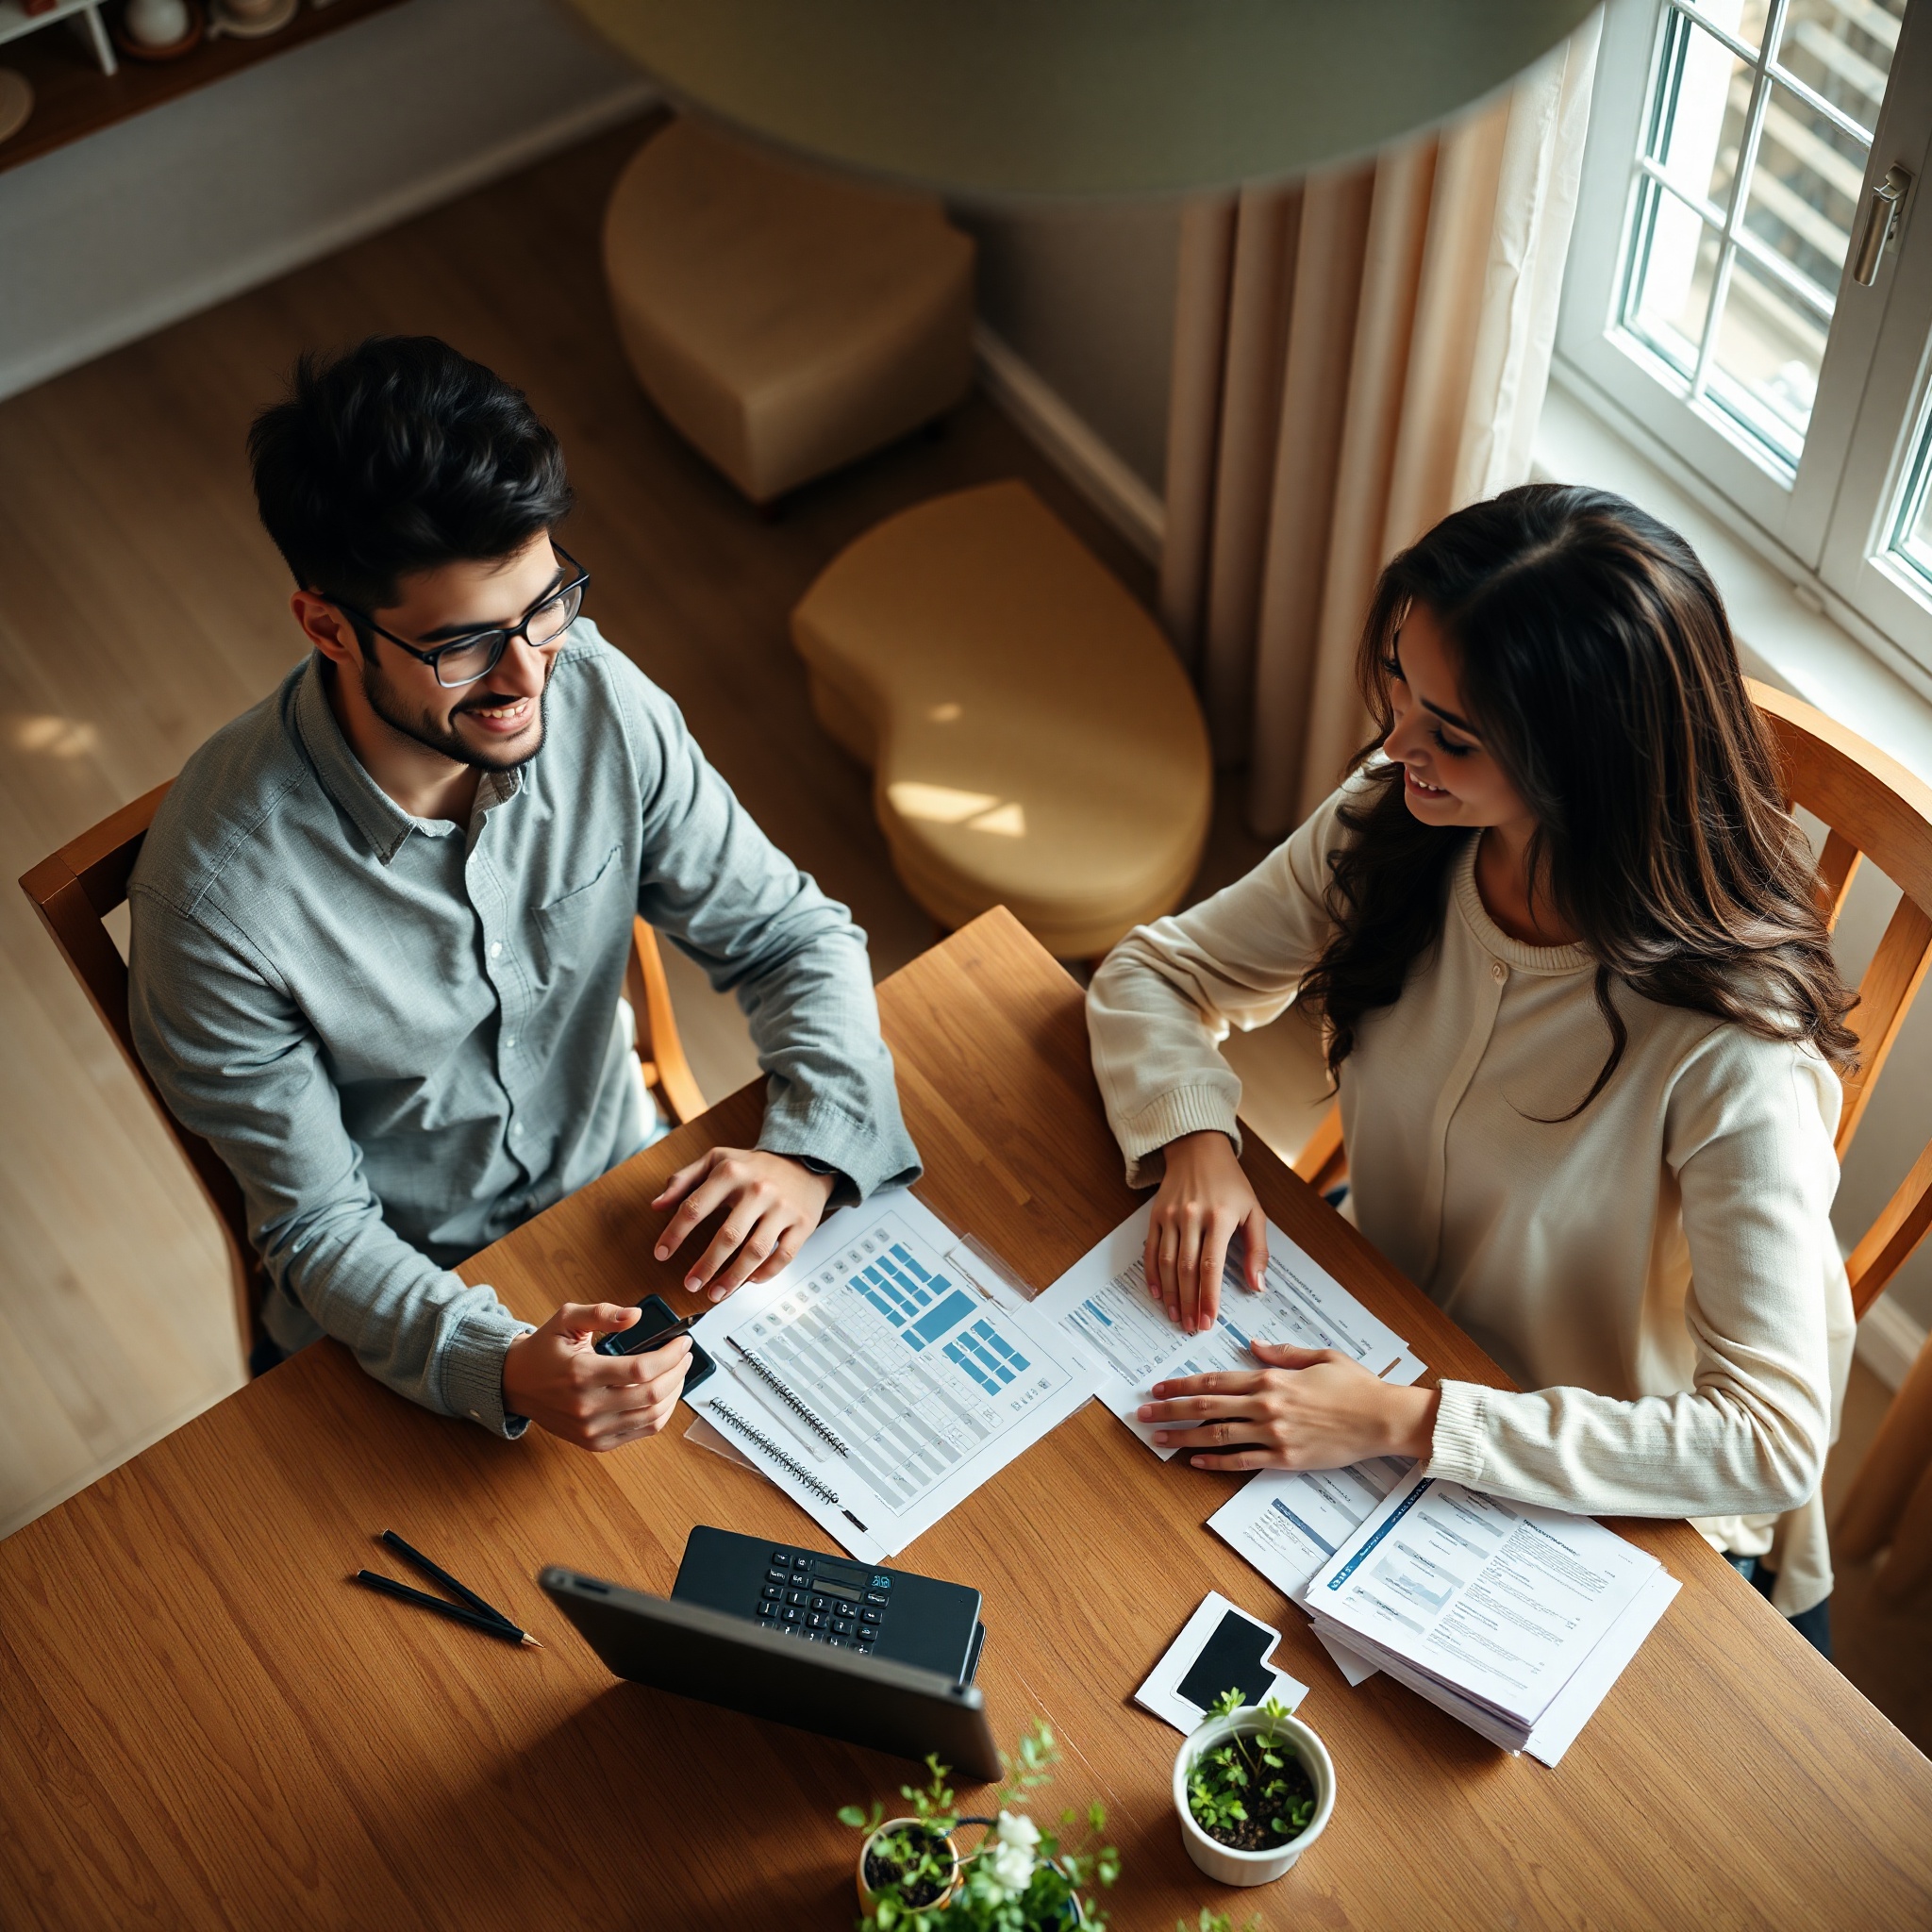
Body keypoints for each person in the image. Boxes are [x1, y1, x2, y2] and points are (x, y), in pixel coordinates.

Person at [1086, 483, 1854, 1653]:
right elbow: (1154, 972)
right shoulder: (1395, 821)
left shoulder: (1731, 1050)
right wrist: (1195, 1134)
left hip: (1598, 1484)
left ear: (1587, 764)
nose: (1394, 743)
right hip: (1374, 1328)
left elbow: (1765, 1436)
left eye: (1451, 732)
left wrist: (1406, 1418)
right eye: (1399, 678)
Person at [129, 336, 919, 1454]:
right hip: (401, 1309)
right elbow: (314, 1227)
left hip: (626, 1198)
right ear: (326, 627)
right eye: (462, 645)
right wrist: (493, 1362)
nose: (528, 671)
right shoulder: (213, 905)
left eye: (545, 606)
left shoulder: (594, 688)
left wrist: (811, 1152)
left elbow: (790, 935)